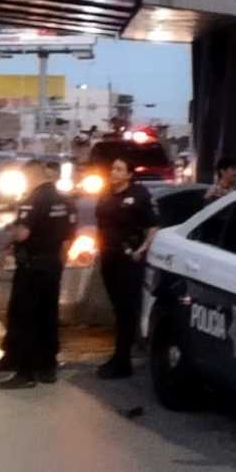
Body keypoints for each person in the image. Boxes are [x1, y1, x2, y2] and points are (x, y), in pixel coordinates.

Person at [0, 173, 78, 391]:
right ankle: (46, 366)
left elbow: (23, 233)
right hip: (52, 263)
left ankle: (25, 372)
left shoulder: (32, 200)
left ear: (32, 176)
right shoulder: (65, 200)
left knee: (24, 317)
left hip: (31, 266)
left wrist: (11, 231)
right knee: (48, 315)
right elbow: (70, 234)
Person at [94, 156, 158, 379]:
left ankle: (123, 362)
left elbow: (153, 226)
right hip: (108, 256)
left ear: (129, 174)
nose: (113, 172)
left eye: (119, 169)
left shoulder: (138, 195)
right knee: (118, 309)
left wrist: (142, 249)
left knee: (126, 309)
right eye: (113, 168)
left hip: (128, 259)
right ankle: (118, 356)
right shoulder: (106, 195)